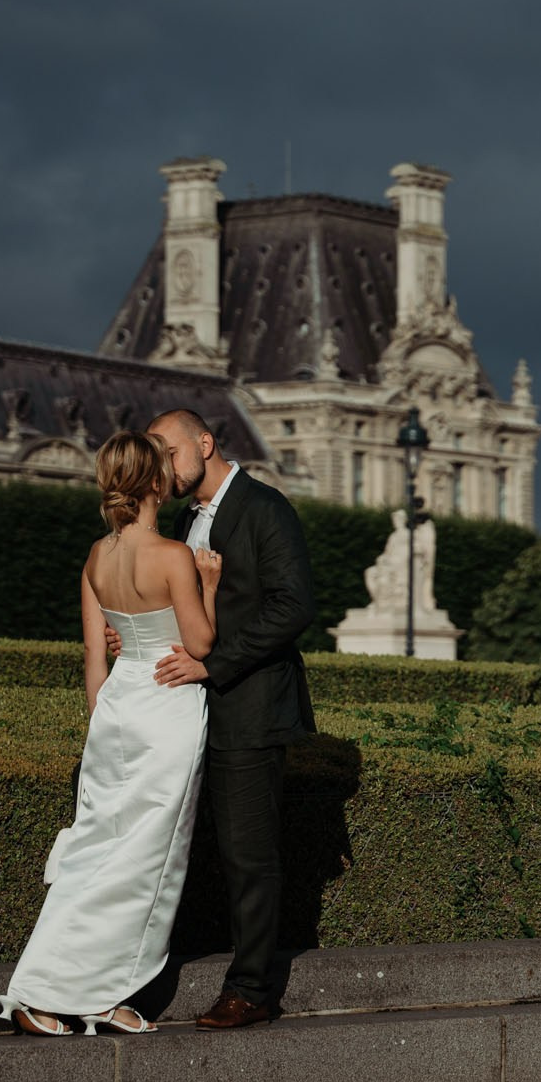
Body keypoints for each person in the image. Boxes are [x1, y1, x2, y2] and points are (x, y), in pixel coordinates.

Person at [0, 431, 221, 1036]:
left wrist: (104, 719)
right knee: (146, 862)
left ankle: (95, 993)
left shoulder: (96, 556)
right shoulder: (173, 556)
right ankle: (52, 992)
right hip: (166, 709)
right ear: (155, 484)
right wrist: (210, 584)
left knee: (97, 852)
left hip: (118, 708)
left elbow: (94, 656)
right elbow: (201, 644)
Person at [139, 407, 317, 1030]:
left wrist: (213, 666)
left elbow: (293, 607)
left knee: (250, 855)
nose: (161, 466)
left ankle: (252, 990)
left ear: (206, 443)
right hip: (191, 710)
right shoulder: (185, 519)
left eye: (169, 452)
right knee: (199, 850)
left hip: (249, 708)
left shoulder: (265, 508)